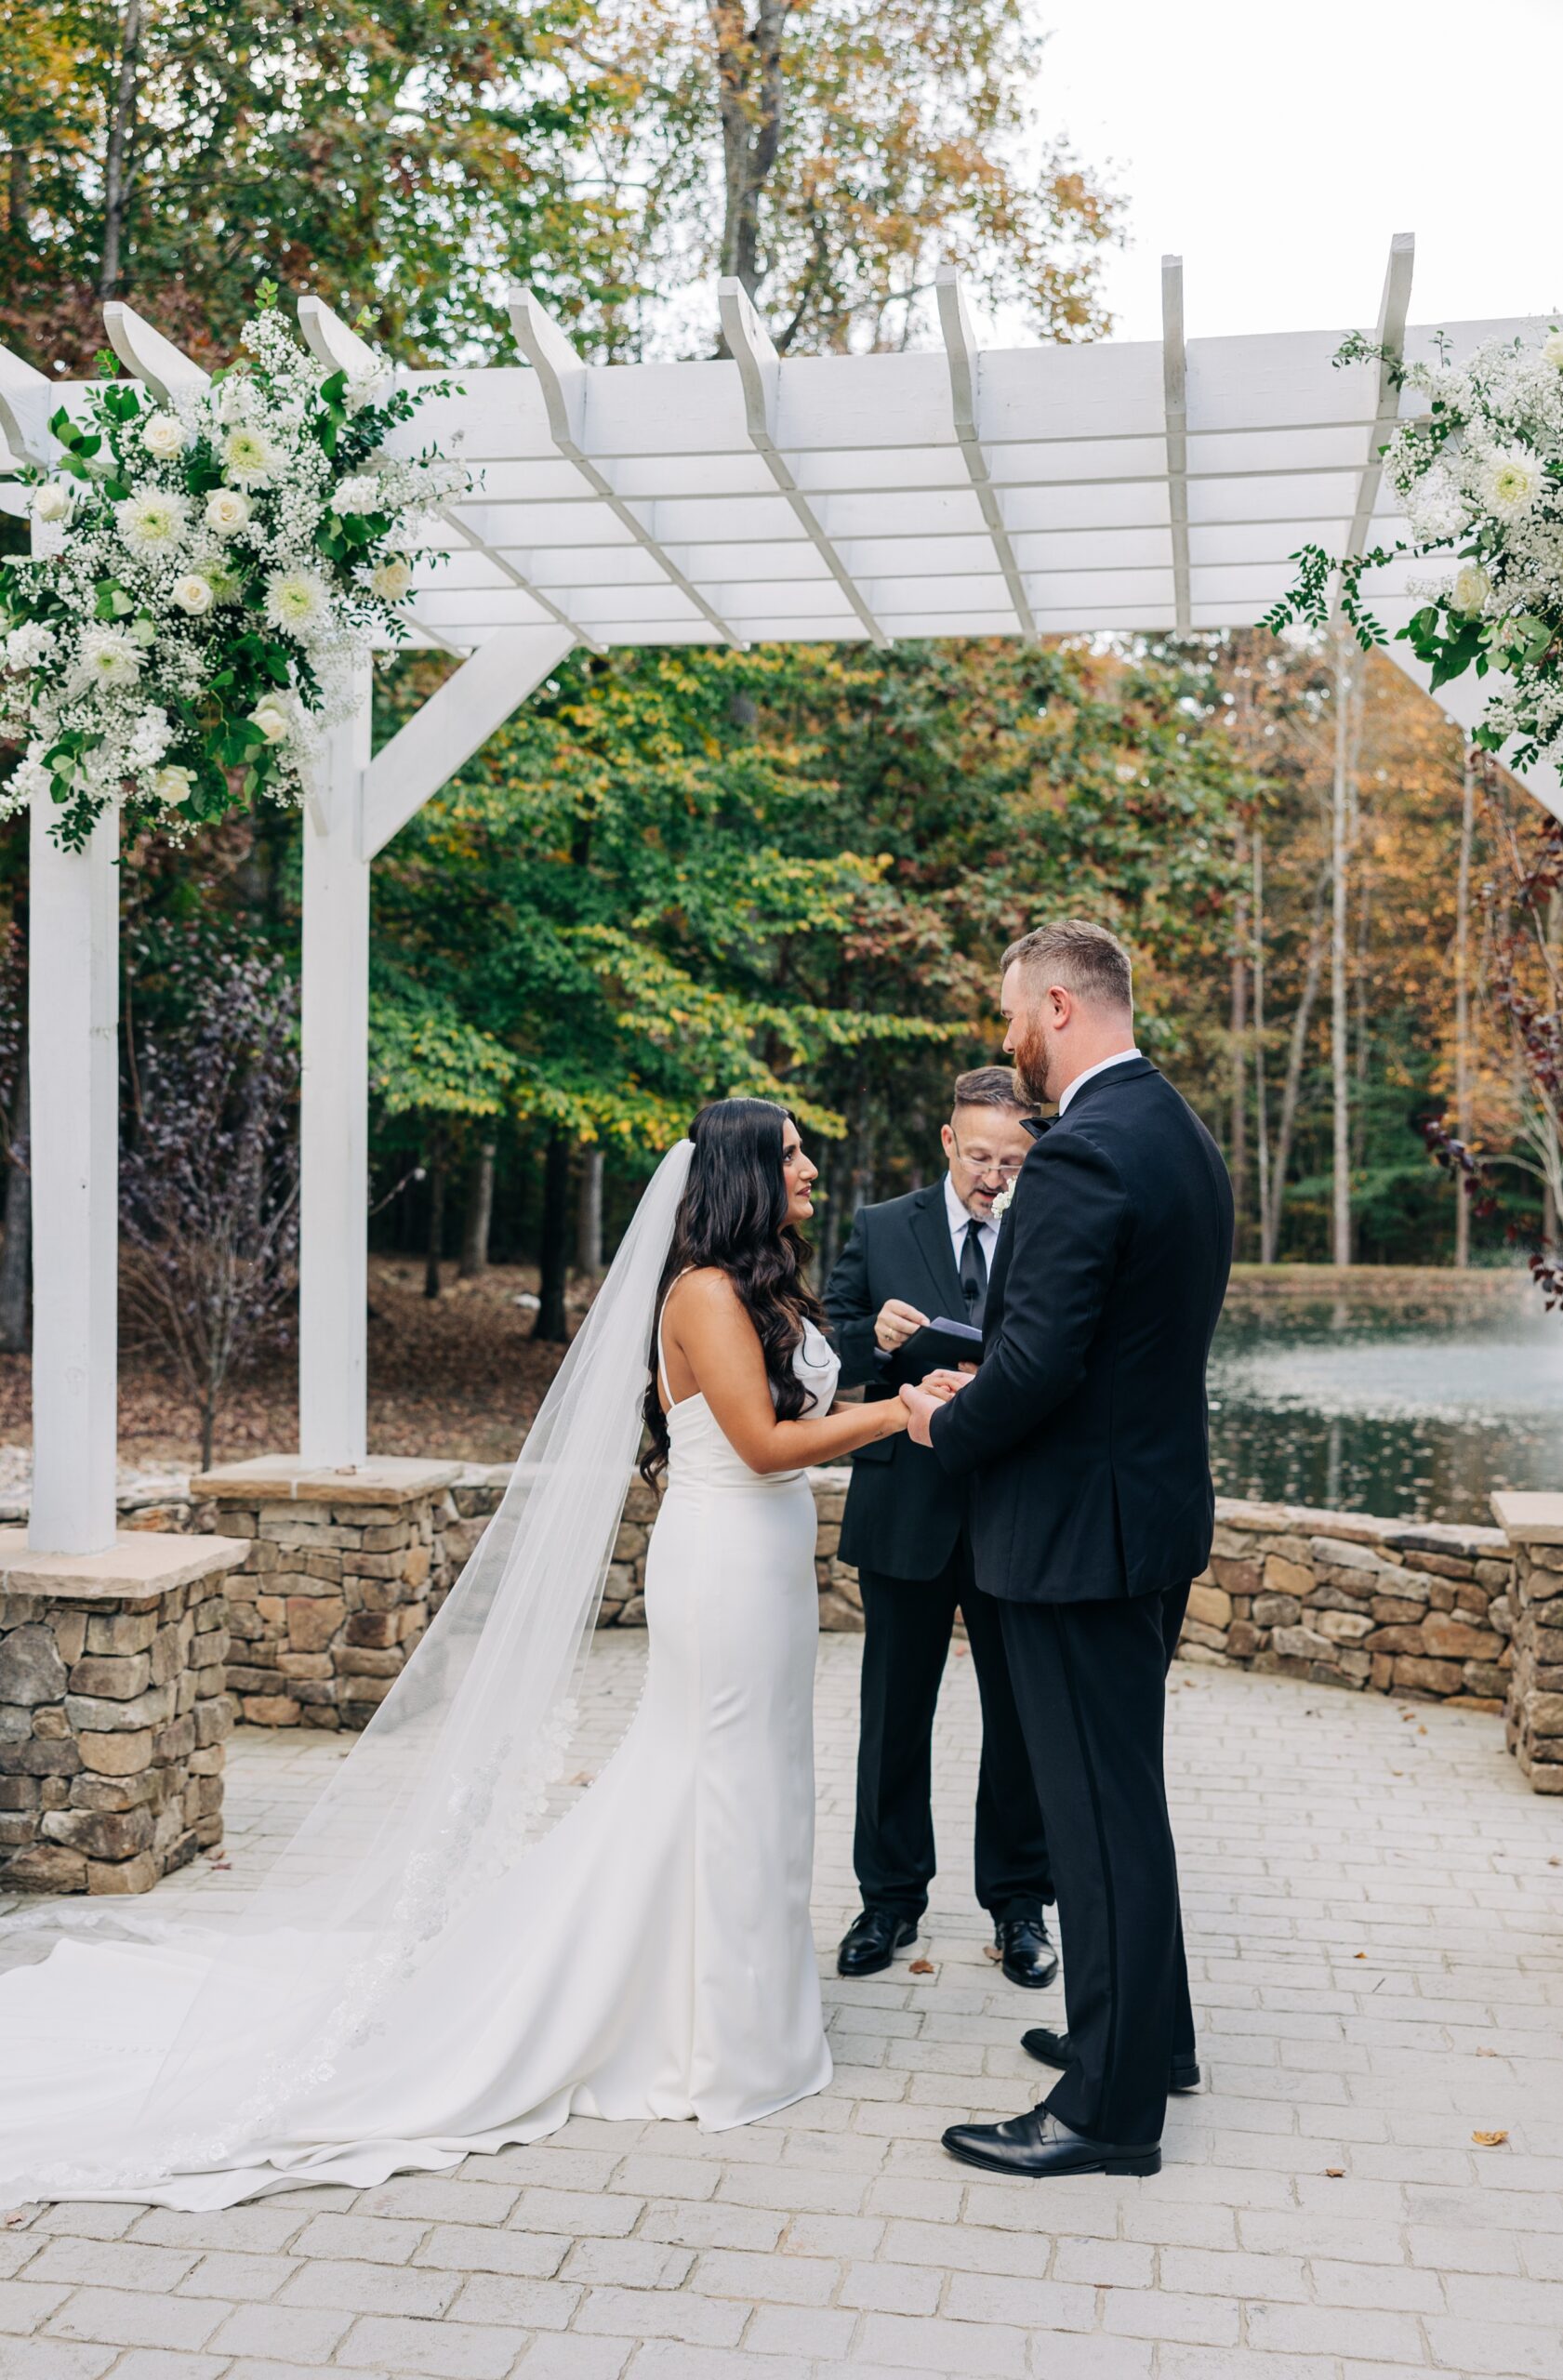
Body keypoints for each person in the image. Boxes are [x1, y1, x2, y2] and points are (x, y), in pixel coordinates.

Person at [0, 1098, 908, 2209]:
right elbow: (766, 1448)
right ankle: (710, 2038)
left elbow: (787, 1418)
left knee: (758, 1781)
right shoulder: (706, 1294)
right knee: (713, 1781)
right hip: (722, 1564)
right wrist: (895, 1416)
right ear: (740, 1176)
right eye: (790, 1154)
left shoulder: (756, 1290)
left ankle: (732, 2015)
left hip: (761, 1568)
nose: (811, 1166)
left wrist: (884, 1387)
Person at [903, 920, 1233, 2181]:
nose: (1003, 1045)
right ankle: (1150, 2042)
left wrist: (947, 1420)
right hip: (1143, 1520)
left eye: (1007, 1019)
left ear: (1054, 1005)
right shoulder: (1179, 1133)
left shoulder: (1088, 1147)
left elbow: (1038, 1362)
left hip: (1075, 1537)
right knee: (1123, 1799)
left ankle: (1105, 2114)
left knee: (1095, 1818)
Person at [825, 1067, 1055, 1987]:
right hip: (905, 1503)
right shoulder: (881, 1226)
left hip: (1015, 1506)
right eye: (980, 1155)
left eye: (1011, 1160)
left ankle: (1019, 1906)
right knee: (892, 1714)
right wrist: (872, 1338)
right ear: (948, 1141)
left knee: (1020, 1718)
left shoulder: (1048, 1229)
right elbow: (821, 1343)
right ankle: (888, 1902)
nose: (993, 1176)